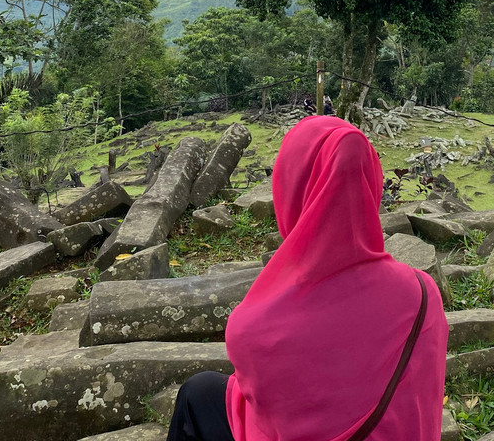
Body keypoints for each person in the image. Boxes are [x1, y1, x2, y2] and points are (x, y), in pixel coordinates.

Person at [167, 116, 448, 441]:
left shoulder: (253, 330)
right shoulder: (424, 295)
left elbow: (265, 423)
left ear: (290, 191)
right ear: (370, 184)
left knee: (197, 394)